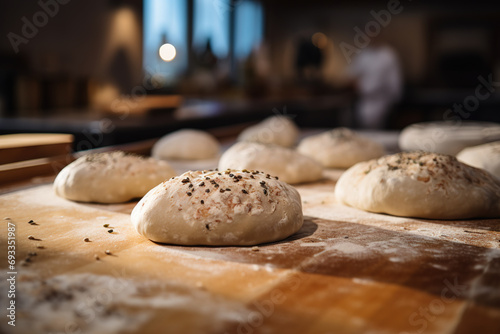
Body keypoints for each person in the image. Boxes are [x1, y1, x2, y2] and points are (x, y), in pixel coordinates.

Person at [348, 40, 402, 129]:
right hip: (363, 101)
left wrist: (395, 102)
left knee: (380, 132)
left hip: (382, 100)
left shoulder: (388, 54)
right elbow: (352, 74)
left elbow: (395, 82)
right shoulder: (363, 54)